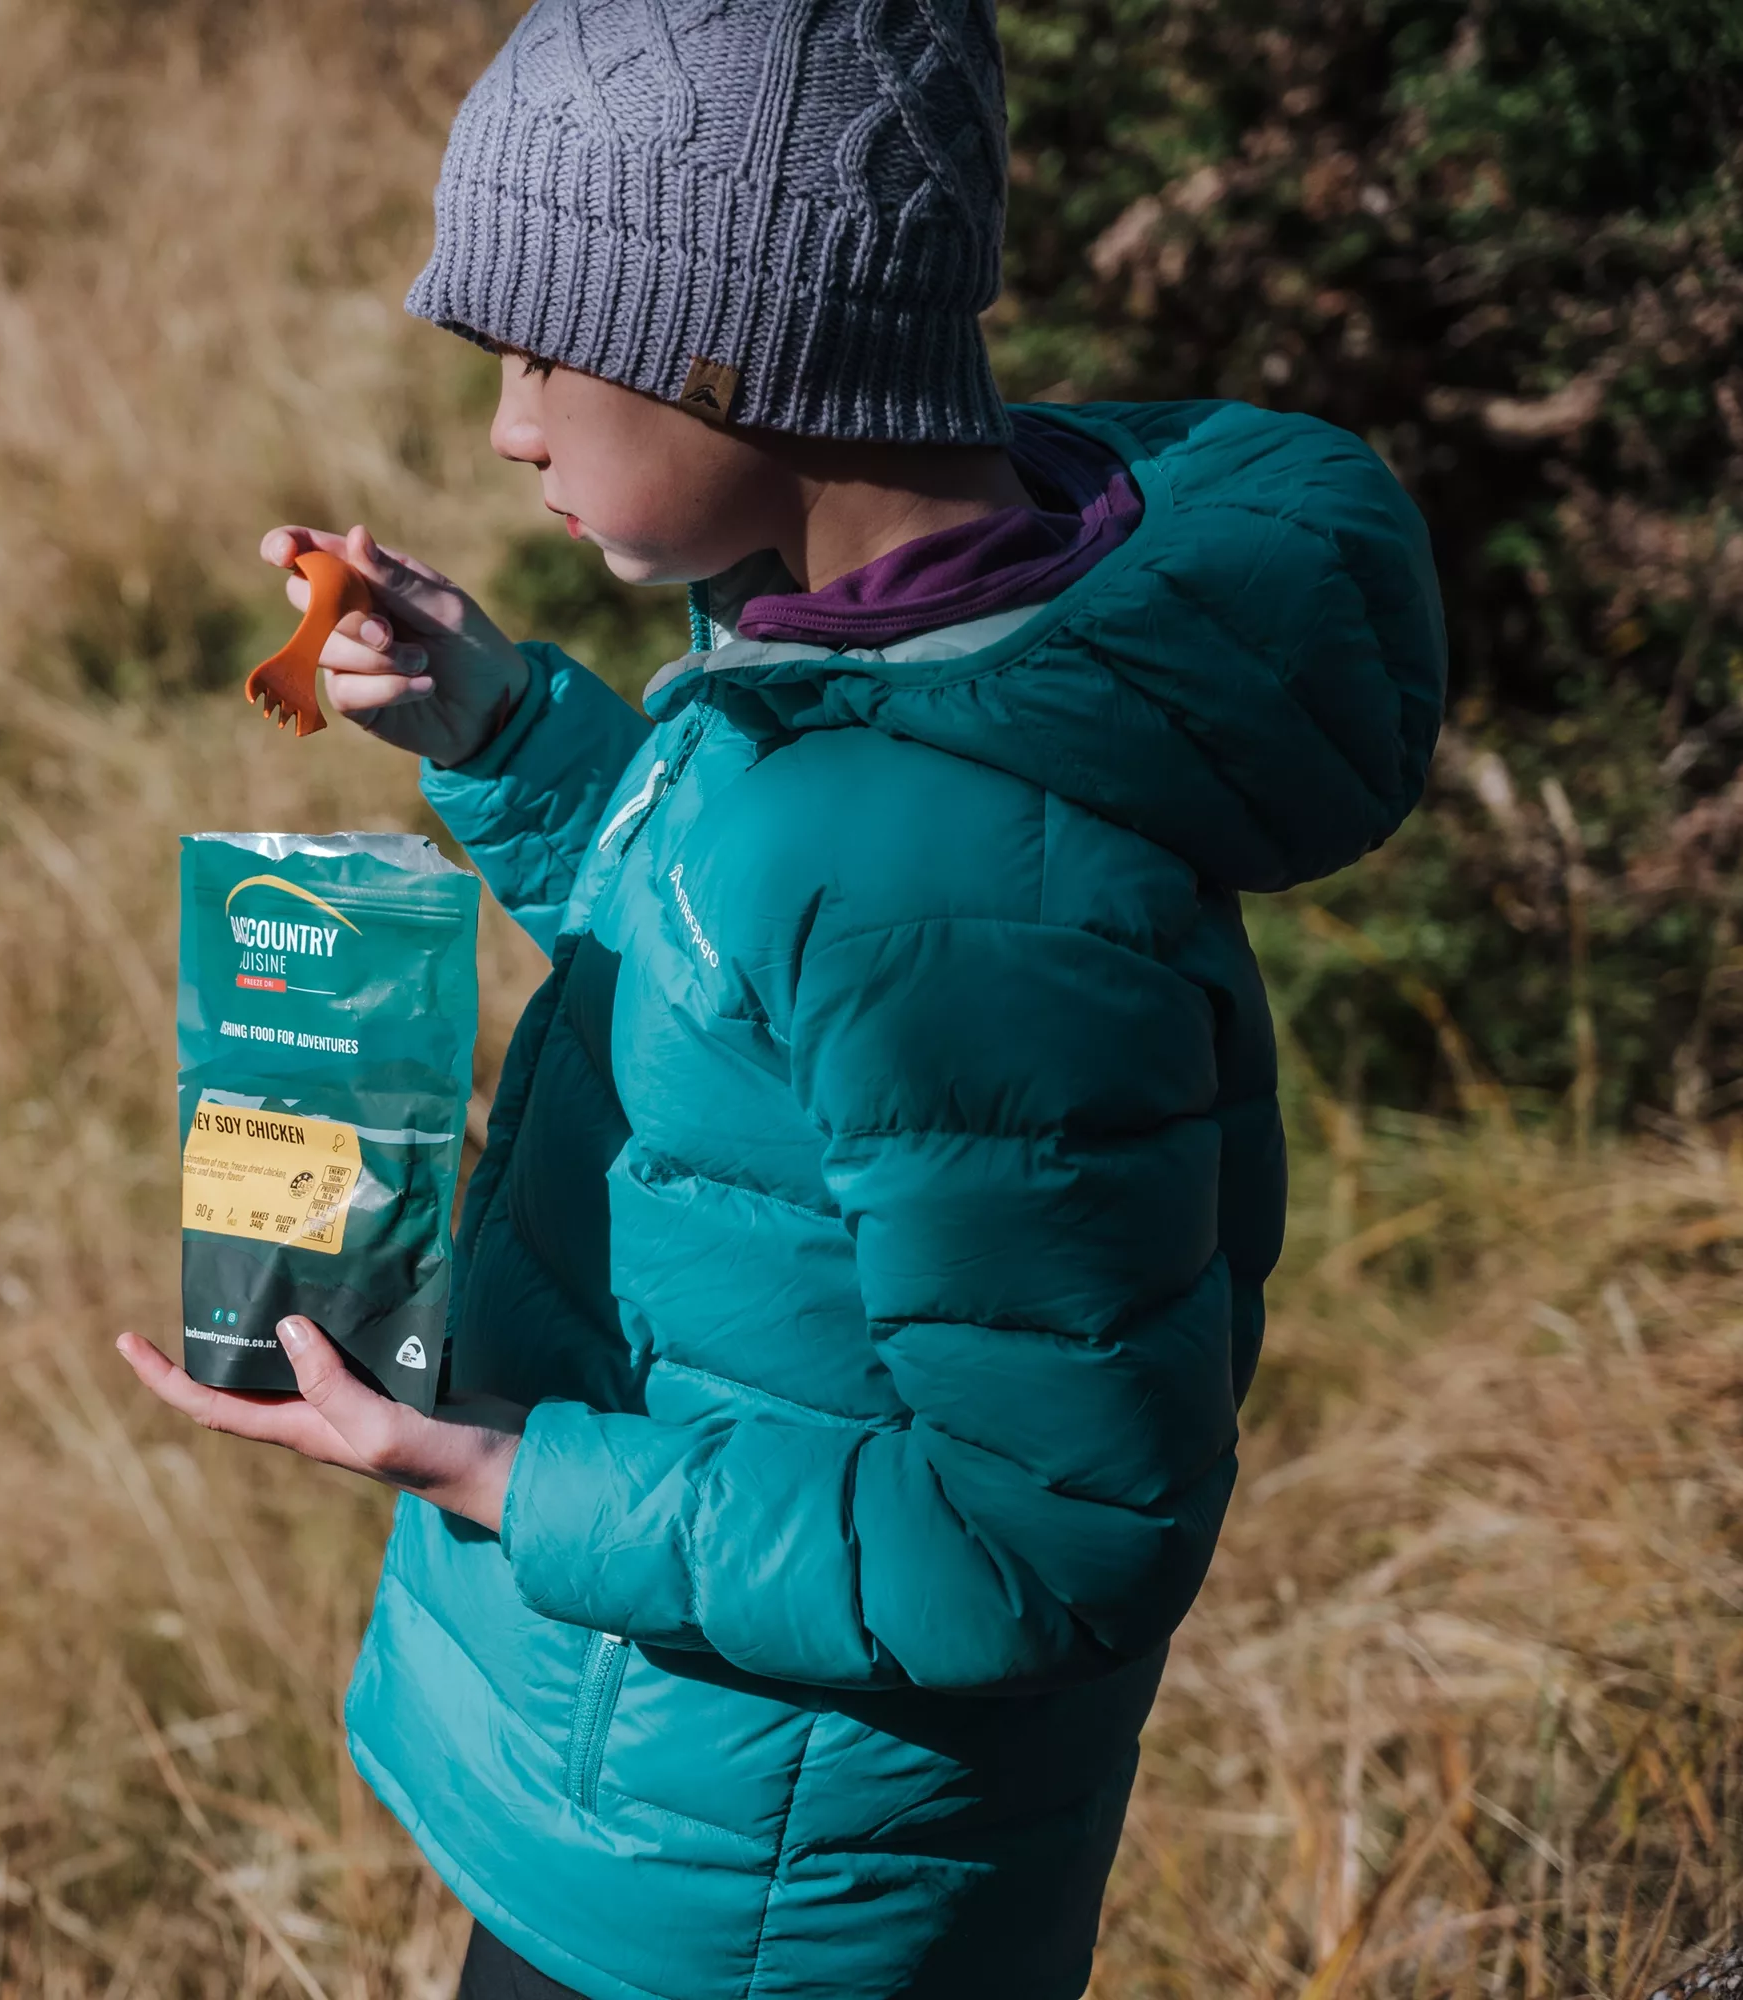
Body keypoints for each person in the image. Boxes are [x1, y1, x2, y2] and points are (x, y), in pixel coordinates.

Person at [115, 0, 1446, 1992]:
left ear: (744, 352)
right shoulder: (863, 656)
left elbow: (1038, 1533)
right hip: (667, 1799)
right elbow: (736, 1001)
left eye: (547, 351)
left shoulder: (971, 869)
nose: (509, 425)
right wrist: (507, 727)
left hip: (775, 1908)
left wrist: (503, 1468)